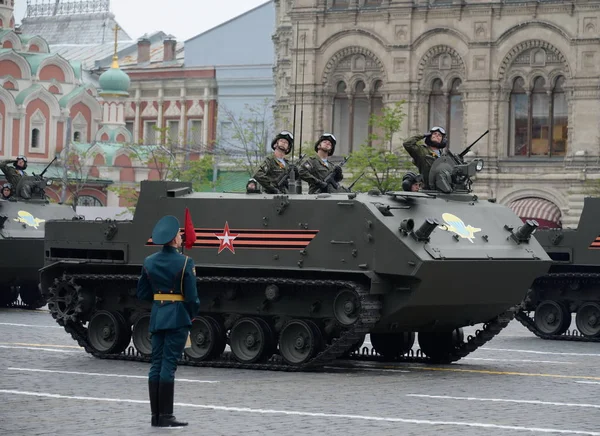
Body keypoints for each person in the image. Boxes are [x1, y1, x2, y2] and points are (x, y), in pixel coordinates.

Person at [137, 215, 200, 428]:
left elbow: (142, 292)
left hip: (157, 314)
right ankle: (166, 416)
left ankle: (155, 416)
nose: (182, 237)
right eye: (180, 234)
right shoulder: (185, 262)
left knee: (156, 364)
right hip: (178, 316)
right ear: (174, 239)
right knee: (168, 364)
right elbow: (192, 297)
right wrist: (190, 313)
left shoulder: (149, 261)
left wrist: (160, 302)